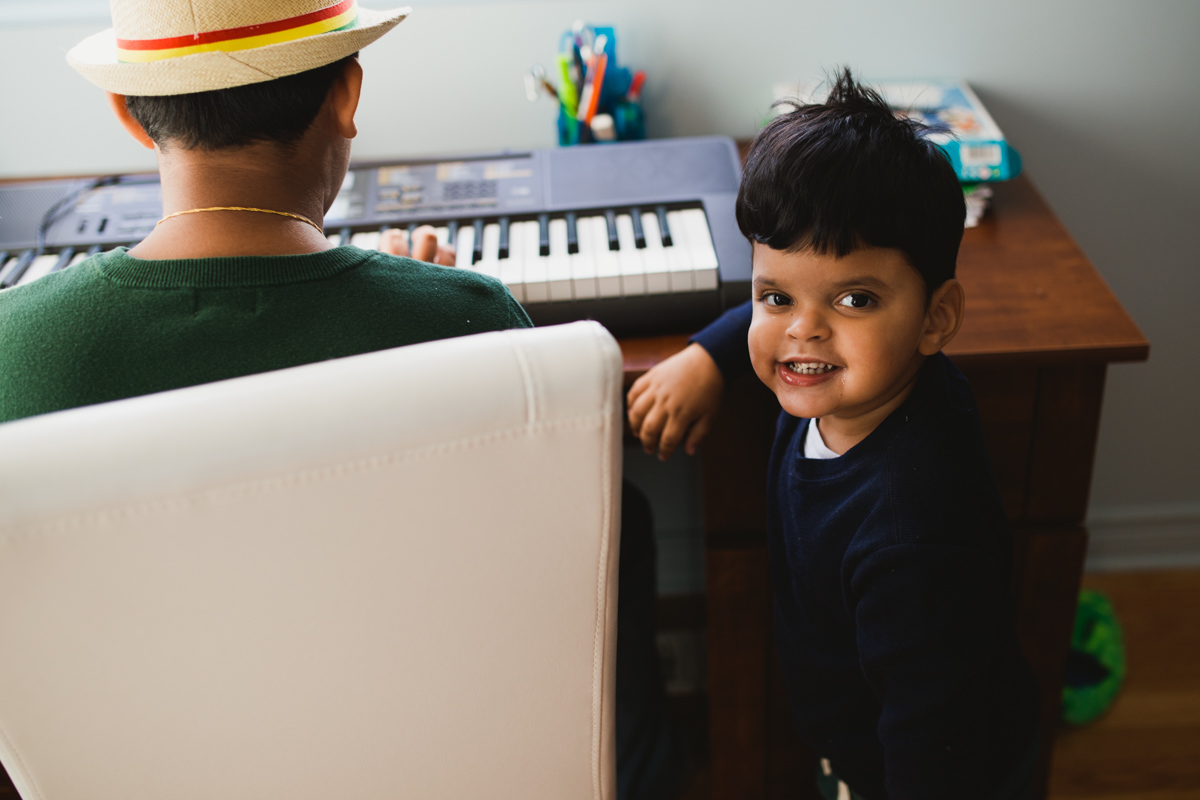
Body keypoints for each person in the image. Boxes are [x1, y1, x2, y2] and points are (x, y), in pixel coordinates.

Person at [0, 3, 677, 798]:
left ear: (128, 115)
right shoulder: (468, 319)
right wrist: (430, 298)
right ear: (347, 94)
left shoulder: (15, 345)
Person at [627, 69, 1041, 800]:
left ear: (937, 318)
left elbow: (932, 742)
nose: (803, 330)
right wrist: (709, 355)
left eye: (857, 298)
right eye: (774, 296)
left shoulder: (915, 534)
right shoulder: (857, 378)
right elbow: (789, 314)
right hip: (855, 731)